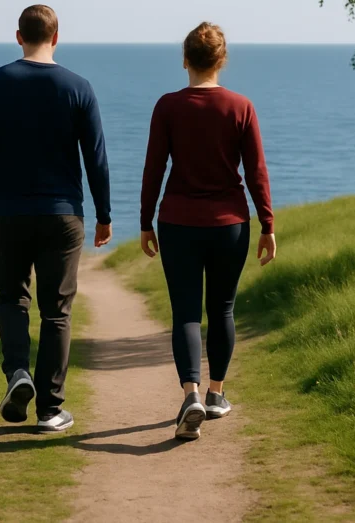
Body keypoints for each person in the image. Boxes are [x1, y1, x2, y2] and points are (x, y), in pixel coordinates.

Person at [0, 4, 112, 433]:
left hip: (9, 212)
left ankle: (17, 372)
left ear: (18, 37)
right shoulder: (78, 87)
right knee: (56, 312)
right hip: (63, 215)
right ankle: (49, 409)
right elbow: (96, 158)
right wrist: (104, 214)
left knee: (12, 298)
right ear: (56, 36)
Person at [139, 22, 277, 441]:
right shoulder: (241, 106)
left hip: (178, 222)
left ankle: (191, 395)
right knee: (222, 310)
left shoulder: (168, 106)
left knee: (185, 312)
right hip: (229, 225)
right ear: (222, 60)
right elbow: (256, 171)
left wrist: (145, 221)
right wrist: (267, 224)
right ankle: (216, 394)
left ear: (185, 60)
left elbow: (153, 168)